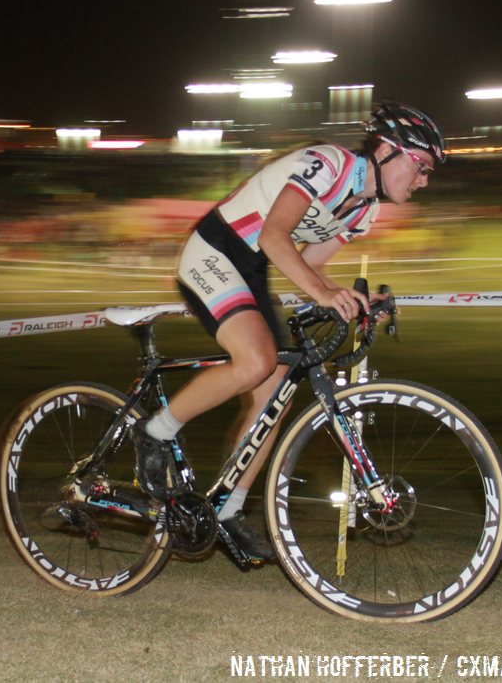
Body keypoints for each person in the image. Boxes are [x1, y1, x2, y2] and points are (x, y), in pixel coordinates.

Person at [133, 101, 446, 560]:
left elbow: (311, 266)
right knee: (257, 360)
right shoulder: (330, 165)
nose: (423, 180)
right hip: (216, 250)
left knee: (273, 397)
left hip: (253, 269)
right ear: (386, 151)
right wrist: (323, 293)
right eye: (420, 167)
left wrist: (352, 300)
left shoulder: (363, 213)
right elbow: (275, 237)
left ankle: (227, 509)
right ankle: (155, 431)